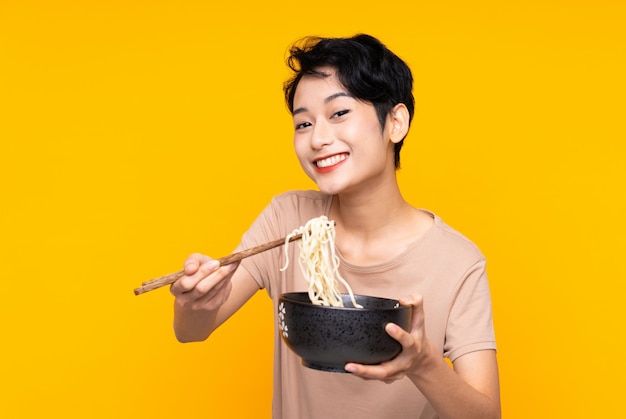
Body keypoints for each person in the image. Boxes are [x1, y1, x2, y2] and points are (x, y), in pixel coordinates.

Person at [171, 34, 500, 419]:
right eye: (303, 123)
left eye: (339, 113)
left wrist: (423, 363)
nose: (318, 139)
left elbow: (486, 415)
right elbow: (192, 330)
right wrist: (194, 301)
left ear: (396, 122)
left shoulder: (457, 262)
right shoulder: (289, 218)